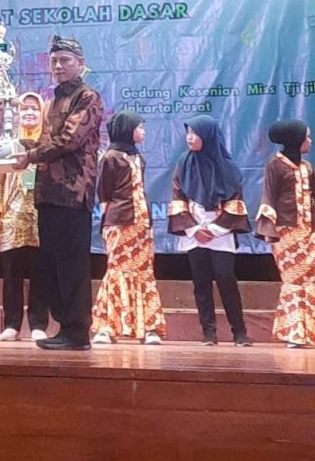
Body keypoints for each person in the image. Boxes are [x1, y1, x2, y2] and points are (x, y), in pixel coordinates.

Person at [15, 35, 103, 352]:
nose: (58, 66)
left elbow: (69, 139)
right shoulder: (52, 102)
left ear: (80, 63)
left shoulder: (87, 97)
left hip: (73, 193)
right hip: (48, 192)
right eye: (54, 61)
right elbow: (45, 142)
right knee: (51, 266)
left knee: (72, 266)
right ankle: (65, 327)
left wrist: (30, 156)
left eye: (65, 60)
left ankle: (78, 333)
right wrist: (18, 150)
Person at [168, 114, 251, 347]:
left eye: (194, 133)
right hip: (194, 231)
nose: (189, 138)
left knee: (225, 278)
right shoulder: (184, 163)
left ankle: (239, 332)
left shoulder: (228, 167)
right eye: (188, 133)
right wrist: (194, 228)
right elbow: (177, 197)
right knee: (201, 281)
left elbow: (235, 203)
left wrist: (214, 229)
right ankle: (208, 332)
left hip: (220, 232)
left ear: (208, 135)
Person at [91, 111, 165, 346]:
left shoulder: (138, 158)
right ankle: (107, 327)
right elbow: (104, 195)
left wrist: (146, 221)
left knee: (143, 272)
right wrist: (109, 223)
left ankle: (149, 327)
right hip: (119, 223)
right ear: (127, 130)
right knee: (117, 270)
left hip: (141, 222)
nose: (143, 131)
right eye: (140, 127)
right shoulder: (110, 157)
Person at [0, 92, 49, 342]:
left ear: (42, 113)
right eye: (25, 109)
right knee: (11, 273)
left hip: (40, 216)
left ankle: (38, 325)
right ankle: (12, 324)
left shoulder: (48, 143)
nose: (30, 113)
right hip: (12, 216)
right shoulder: (8, 143)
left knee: (40, 273)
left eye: (34, 109)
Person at [256, 119, 315, 348]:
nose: (310, 141)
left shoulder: (307, 168)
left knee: (310, 280)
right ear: (296, 140)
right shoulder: (276, 165)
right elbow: (268, 196)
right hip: (286, 233)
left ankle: (308, 331)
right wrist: (269, 230)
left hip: (308, 232)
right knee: (294, 279)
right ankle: (293, 332)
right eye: (307, 137)